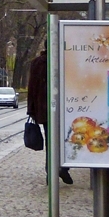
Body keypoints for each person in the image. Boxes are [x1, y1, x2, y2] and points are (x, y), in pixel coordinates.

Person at [28, 43, 73, 185]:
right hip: (65, 109)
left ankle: (52, 170)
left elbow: (32, 88)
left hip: (44, 110)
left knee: (51, 141)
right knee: (66, 140)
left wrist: (32, 109)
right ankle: (61, 168)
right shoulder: (65, 60)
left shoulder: (36, 63)